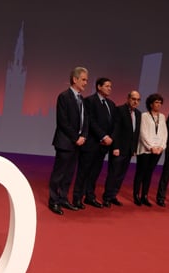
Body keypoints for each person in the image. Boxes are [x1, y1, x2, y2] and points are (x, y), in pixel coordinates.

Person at [48, 66, 89, 215]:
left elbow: (86, 121)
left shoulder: (82, 99)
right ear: (75, 79)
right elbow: (63, 122)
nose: (86, 83)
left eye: (86, 80)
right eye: (83, 79)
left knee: (69, 174)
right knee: (59, 173)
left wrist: (84, 135)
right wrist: (76, 137)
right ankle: (53, 201)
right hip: (65, 143)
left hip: (78, 144)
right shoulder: (64, 96)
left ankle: (63, 199)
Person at [73, 77, 115, 209]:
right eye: (107, 86)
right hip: (91, 144)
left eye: (110, 86)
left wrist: (109, 138)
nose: (109, 89)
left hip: (103, 147)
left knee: (95, 173)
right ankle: (77, 198)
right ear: (99, 87)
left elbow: (113, 124)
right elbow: (90, 121)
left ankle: (89, 196)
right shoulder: (90, 101)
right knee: (83, 172)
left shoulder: (111, 104)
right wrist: (103, 136)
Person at [102, 90, 142, 206]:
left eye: (138, 100)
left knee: (121, 175)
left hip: (129, 150)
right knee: (113, 174)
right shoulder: (119, 110)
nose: (135, 102)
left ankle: (113, 195)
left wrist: (134, 149)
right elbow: (116, 130)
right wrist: (115, 147)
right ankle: (107, 197)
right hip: (118, 149)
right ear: (128, 98)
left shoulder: (138, 114)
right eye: (133, 99)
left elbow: (136, 133)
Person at [133, 93, 168, 206]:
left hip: (158, 150)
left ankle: (145, 195)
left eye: (160, 102)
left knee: (149, 173)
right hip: (145, 149)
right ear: (150, 104)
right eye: (156, 102)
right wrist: (151, 146)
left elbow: (164, 133)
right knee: (140, 173)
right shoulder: (144, 116)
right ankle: (136, 195)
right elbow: (142, 133)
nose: (158, 104)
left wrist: (162, 146)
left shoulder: (162, 117)